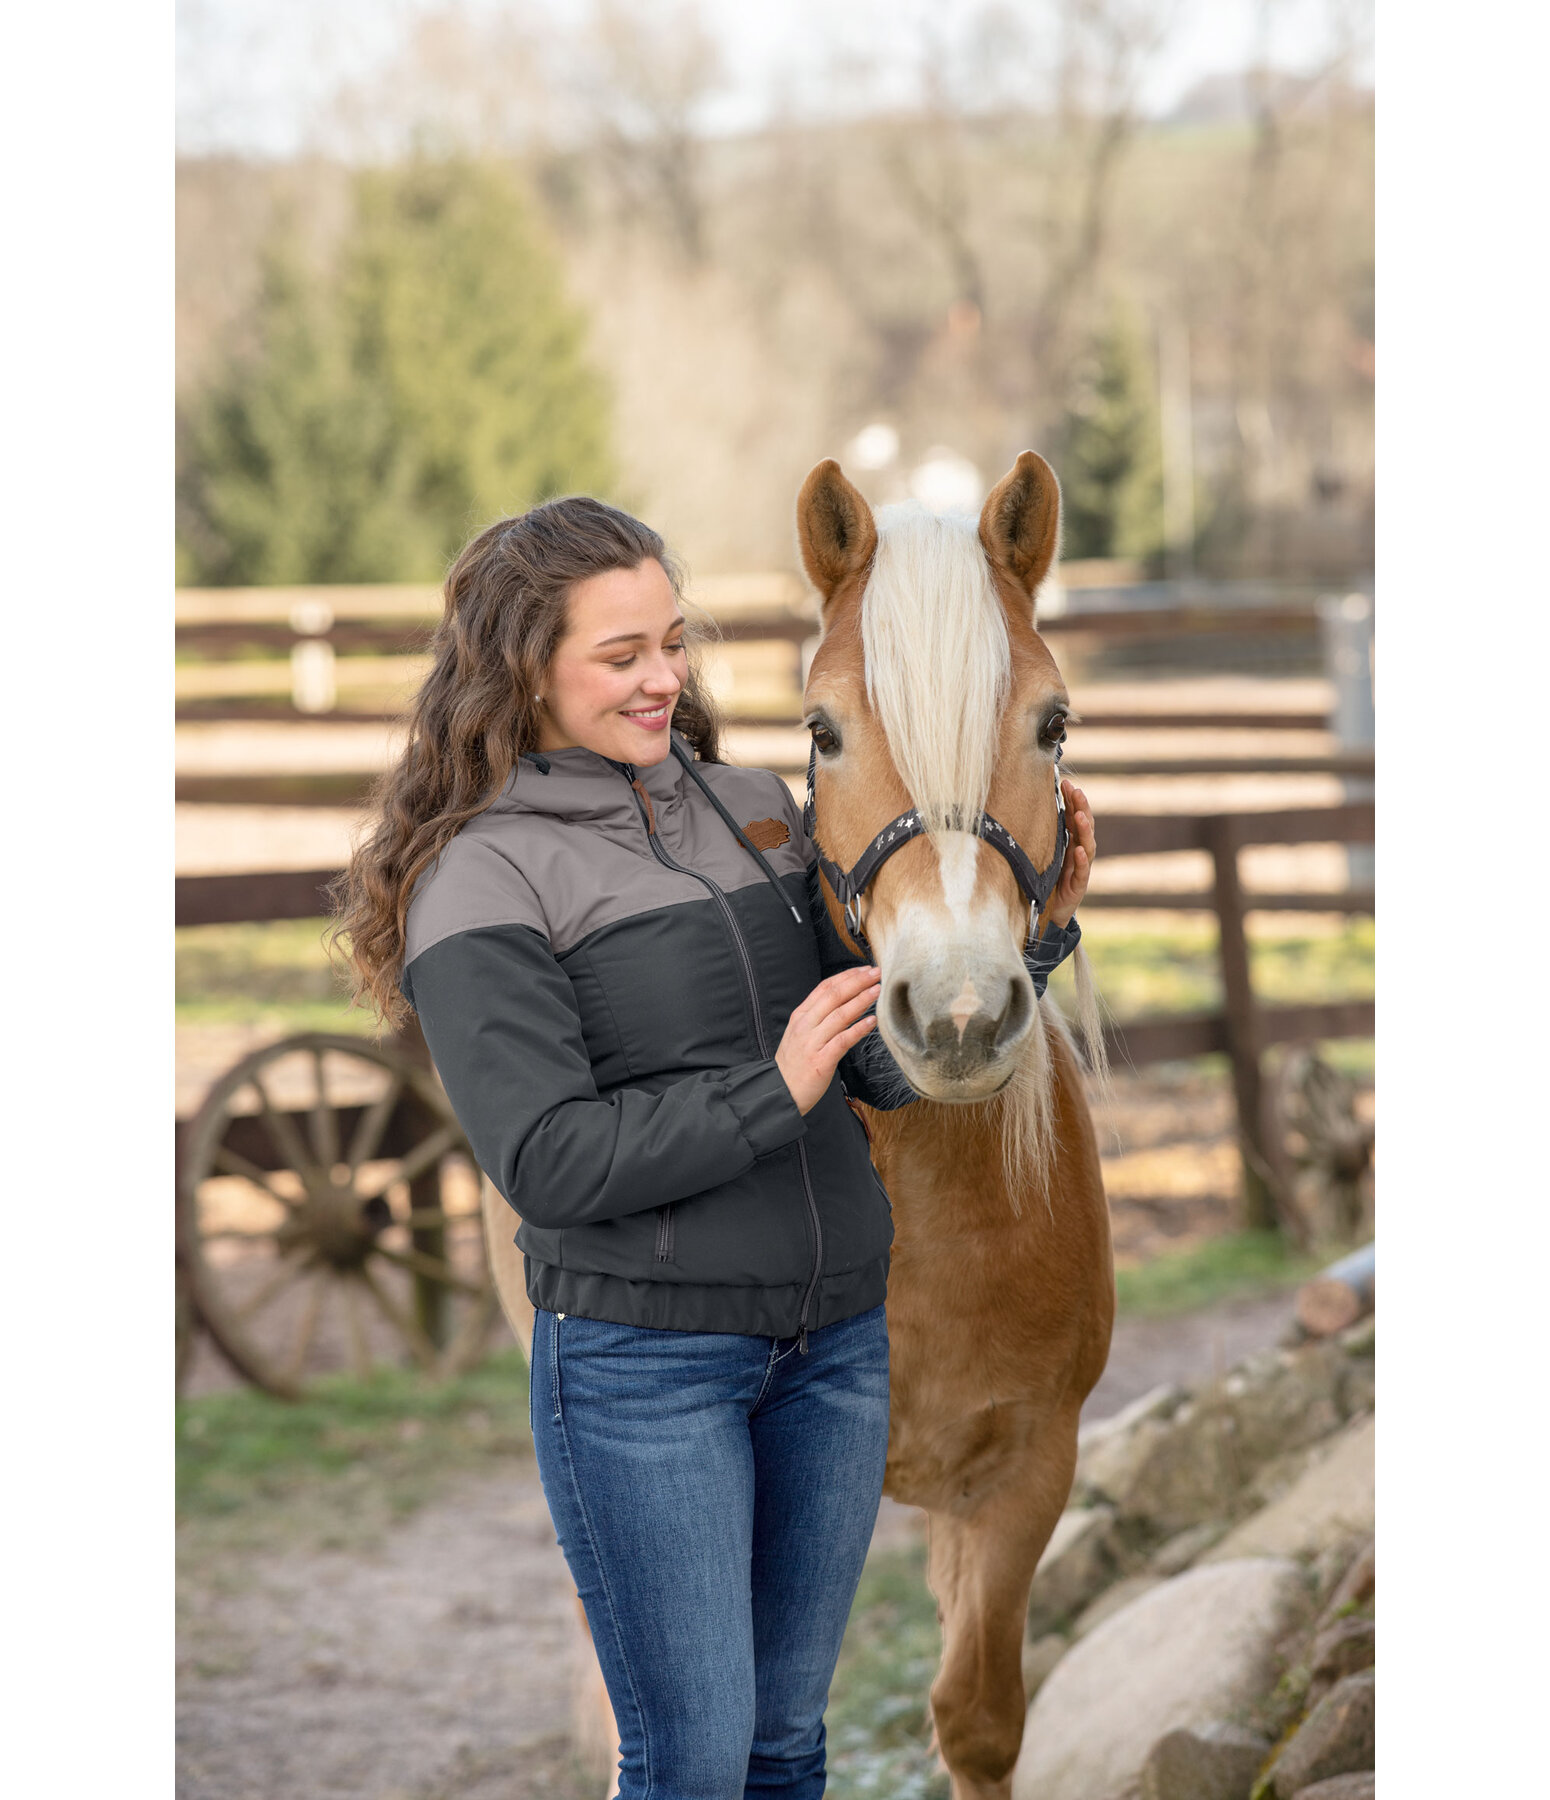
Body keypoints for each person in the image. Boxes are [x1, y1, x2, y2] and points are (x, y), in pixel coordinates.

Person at [333, 496, 1096, 1799]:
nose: (662, 678)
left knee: (782, 1747)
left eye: (670, 643)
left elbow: (862, 1053)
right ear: (524, 667)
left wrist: (1023, 949)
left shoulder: (748, 811)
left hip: (822, 1344)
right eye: (619, 652)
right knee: (692, 1759)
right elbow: (550, 1163)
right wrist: (774, 1084)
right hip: (648, 1359)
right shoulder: (479, 878)